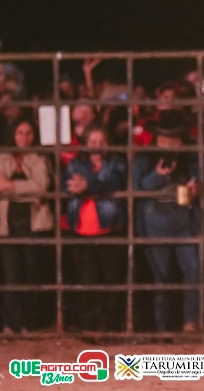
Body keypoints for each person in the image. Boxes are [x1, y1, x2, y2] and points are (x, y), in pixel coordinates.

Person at [133, 109, 204, 333]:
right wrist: (157, 175)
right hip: (155, 224)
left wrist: (198, 185)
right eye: (164, 139)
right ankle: (164, 328)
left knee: (194, 270)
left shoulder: (195, 155)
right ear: (157, 138)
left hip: (186, 221)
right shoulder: (144, 158)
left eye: (174, 139)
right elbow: (135, 187)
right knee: (162, 277)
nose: (169, 144)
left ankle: (191, 322)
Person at [62, 126, 127, 331]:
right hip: (82, 232)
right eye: (93, 142)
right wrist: (88, 185)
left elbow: (114, 184)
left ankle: (108, 330)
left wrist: (87, 185)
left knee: (111, 283)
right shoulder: (76, 163)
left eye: (101, 141)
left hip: (110, 231)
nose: (97, 146)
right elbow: (66, 185)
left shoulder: (116, 162)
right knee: (86, 284)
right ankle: (89, 329)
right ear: (85, 144)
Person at [0, 119, 53, 334]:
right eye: (19, 132)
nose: (24, 137)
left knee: (31, 275)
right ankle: (10, 325)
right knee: (11, 276)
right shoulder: (2, 158)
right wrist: (28, 191)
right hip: (7, 226)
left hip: (34, 225)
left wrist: (10, 186)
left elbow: (41, 186)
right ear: (13, 135)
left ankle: (28, 325)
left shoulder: (40, 159)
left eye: (29, 132)